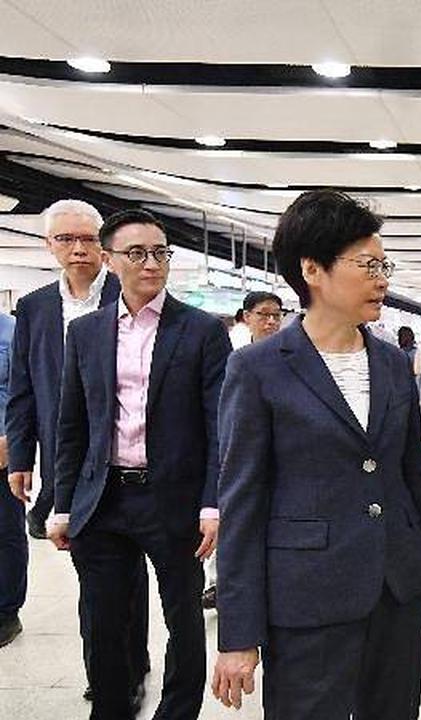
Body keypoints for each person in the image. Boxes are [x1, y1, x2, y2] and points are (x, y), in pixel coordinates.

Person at [212, 189, 421, 719]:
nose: (382, 278)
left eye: (384, 263)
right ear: (313, 270)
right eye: (368, 264)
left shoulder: (392, 363)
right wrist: (238, 634)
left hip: (396, 589)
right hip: (307, 597)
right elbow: (243, 505)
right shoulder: (259, 369)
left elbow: (412, 478)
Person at [53, 208, 231, 720]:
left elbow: (219, 425)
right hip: (103, 497)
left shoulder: (200, 331)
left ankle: (177, 712)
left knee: (183, 616)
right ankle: (111, 707)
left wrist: (212, 501)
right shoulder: (85, 333)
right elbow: (73, 427)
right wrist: (63, 505)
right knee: (104, 620)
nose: (151, 263)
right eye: (137, 253)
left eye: (160, 253)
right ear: (109, 260)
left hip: (171, 496)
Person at [6, 199, 150, 701]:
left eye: (88, 239)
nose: (78, 249)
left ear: (106, 247)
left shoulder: (131, 295)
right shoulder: (36, 306)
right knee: (98, 574)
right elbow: (23, 383)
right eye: (65, 240)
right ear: (49, 246)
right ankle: (115, 670)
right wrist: (21, 455)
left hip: (126, 457)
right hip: (68, 458)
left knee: (122, 570)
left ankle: (124, 670)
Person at [201, 290, 285, 610]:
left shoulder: (288, 354)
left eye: (276, 315)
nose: (270, 321)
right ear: (246, 317)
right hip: (235, 447)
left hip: (274, 451)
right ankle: (218, 583)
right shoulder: (232, 356)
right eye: (263, 314)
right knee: (231, 515)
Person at [0, 310, 17, 647]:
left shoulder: (11, 331)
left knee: (6, 530)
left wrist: (12, 440)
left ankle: (7, 611)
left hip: (0, 446)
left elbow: (22, 392)